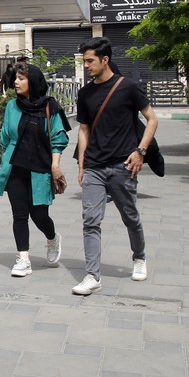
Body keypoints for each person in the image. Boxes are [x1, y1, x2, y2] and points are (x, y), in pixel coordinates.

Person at [72, 37, 158, 295]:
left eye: (90, 60)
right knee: (90, 221)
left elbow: (152, 119)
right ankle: (92, 276)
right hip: (94, 166)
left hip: (123, 165)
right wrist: (81, 165)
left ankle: (139, 257)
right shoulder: (85, 93)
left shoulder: (128, 87)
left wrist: (140, 152)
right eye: (84, 60)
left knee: (130, 216)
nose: (86, 65)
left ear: (105, 59)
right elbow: (84, 130)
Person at [0, 62, 71, 277]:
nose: (16, 82)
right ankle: (23, 258)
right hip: (15, 167)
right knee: (19, 215)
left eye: (21, 78)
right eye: (16, 78)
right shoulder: (12, 106)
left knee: (39, 215)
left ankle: (52, 238)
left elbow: (59, 139)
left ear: (33, 82)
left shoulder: (50, 107)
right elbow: (5, 136)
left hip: (40, 168)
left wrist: (55, 166)